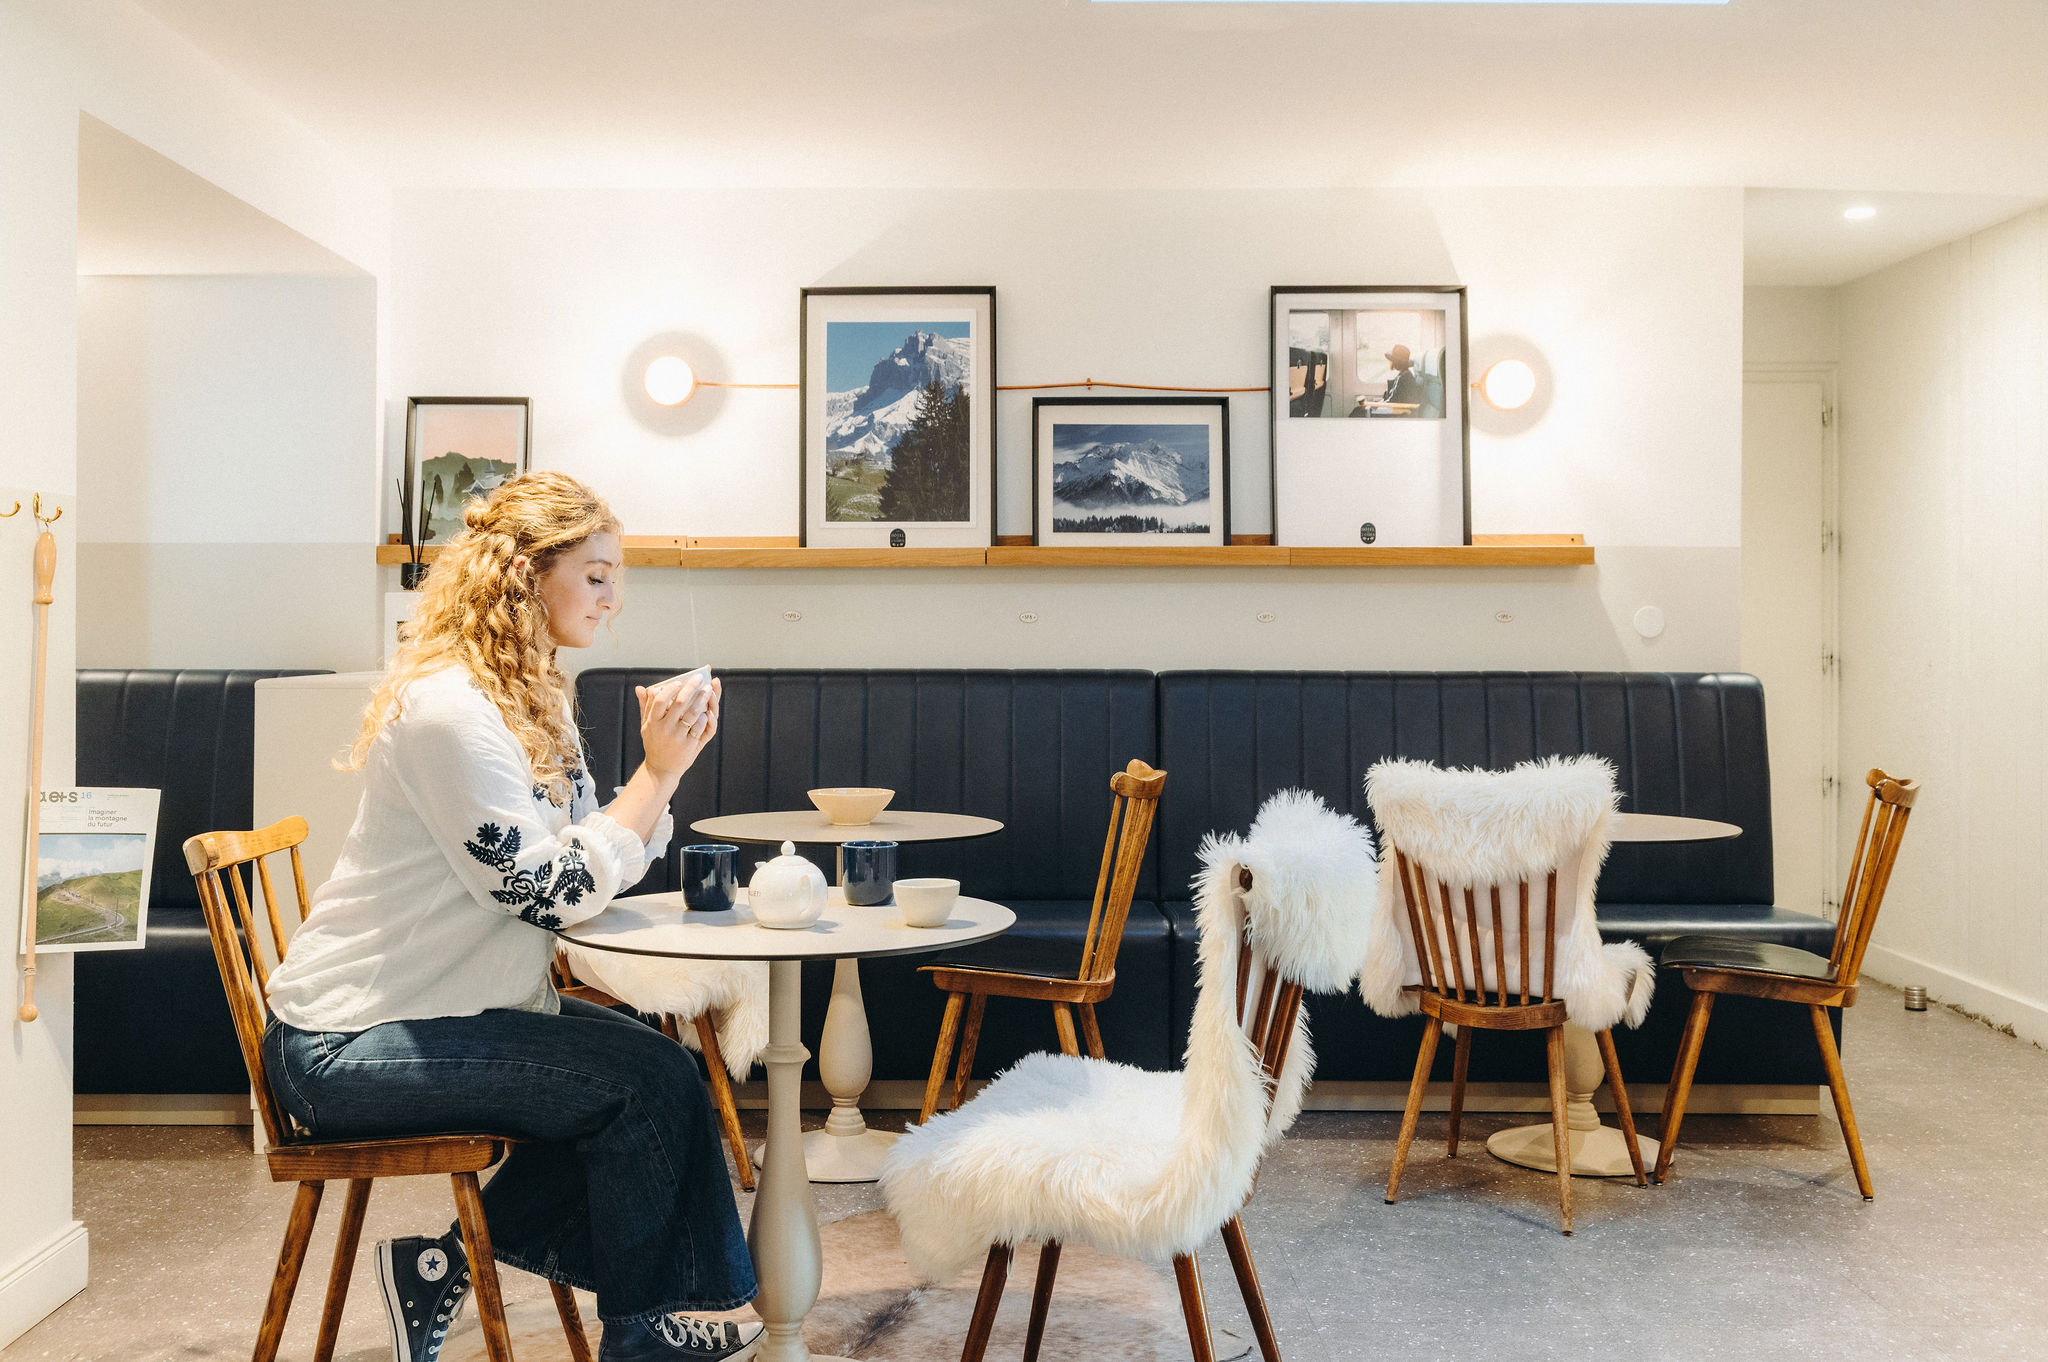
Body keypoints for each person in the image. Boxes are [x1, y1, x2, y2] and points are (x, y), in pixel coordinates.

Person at [261, 472, 763, 1362]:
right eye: (598, 573)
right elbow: (546, 893)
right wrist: (658, 777)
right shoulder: (448, 713)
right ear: (525, 575)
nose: (615, 599)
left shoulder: (529, 697)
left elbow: (579, 858)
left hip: (446, 1011)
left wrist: (659, 778)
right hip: (344, 1046)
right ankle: (642, 1339)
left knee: (659, 1065)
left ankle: (446, 1265)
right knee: (638, 1089)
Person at [1349, 343, 1423, 417]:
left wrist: (1373, 405)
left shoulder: (1404, 377)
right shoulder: (1404, 375)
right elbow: (1392, 398)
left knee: (1357, 412)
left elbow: (1393, 401)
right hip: (1393, 409)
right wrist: (1376, 404)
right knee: (1358, 410)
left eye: (1392, 360)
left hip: (1396, 414)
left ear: (1395, 362)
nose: (1390, 362)